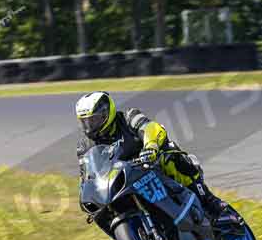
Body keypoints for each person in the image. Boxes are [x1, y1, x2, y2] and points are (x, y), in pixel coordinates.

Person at [75, 91, 225, 217]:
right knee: (99, 213)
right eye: (85, 122)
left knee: (170, 159)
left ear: (107, 112)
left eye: (94, 120)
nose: (90, 126)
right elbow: (86, 176)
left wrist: (151, 147)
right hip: (123, 181)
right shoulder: (84, 145)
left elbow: (151, 127)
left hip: (150, 164)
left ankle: (209, 201)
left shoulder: (128, 117)